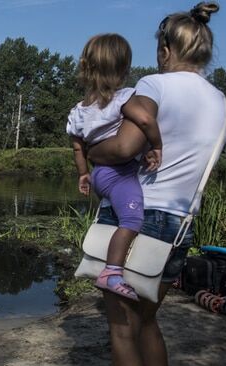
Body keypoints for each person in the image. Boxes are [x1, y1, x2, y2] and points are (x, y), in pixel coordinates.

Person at [85, 2, 226, 366]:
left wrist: (90, 151)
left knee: (122, 330)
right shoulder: (222, 104)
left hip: (138, 216)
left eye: (158, 49)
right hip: (179, 225)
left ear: (166, 50)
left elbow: (125, 147)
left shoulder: (156, 85)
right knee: (147, 320)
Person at [67, 33, 163, 301]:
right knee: (132, 220)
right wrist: (156, 145)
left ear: (86, 68)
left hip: (98, 173)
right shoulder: (124, 98)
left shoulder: (77, 112)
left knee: (116, 218)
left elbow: (78, 148)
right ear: (124, 68)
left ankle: (108, 265)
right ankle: (112, 272)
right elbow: (144, 120)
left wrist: (84, 174)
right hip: (119, 175)